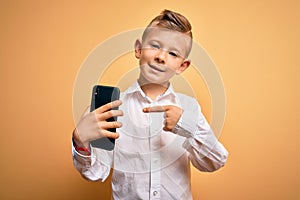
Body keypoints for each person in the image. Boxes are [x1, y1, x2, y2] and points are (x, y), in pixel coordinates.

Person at [72, 9, 228, 200]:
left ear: (182, 66)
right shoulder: (113, 109)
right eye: (155, 45)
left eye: (173, 53)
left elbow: (215, 161)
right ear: (138, 49)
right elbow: (97, 173)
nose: (161, 57)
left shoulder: (189, 107)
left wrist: (186, 125)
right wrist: (81, 141)